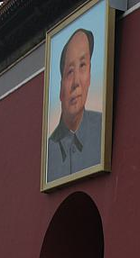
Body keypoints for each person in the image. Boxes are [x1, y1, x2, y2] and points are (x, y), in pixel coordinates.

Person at [47, 28, 102, 181]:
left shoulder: (102, 128)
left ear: (90, 76)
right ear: (60, 88)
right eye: (70, 72)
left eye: (83, 66)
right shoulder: (49, 150)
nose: (76, 82)